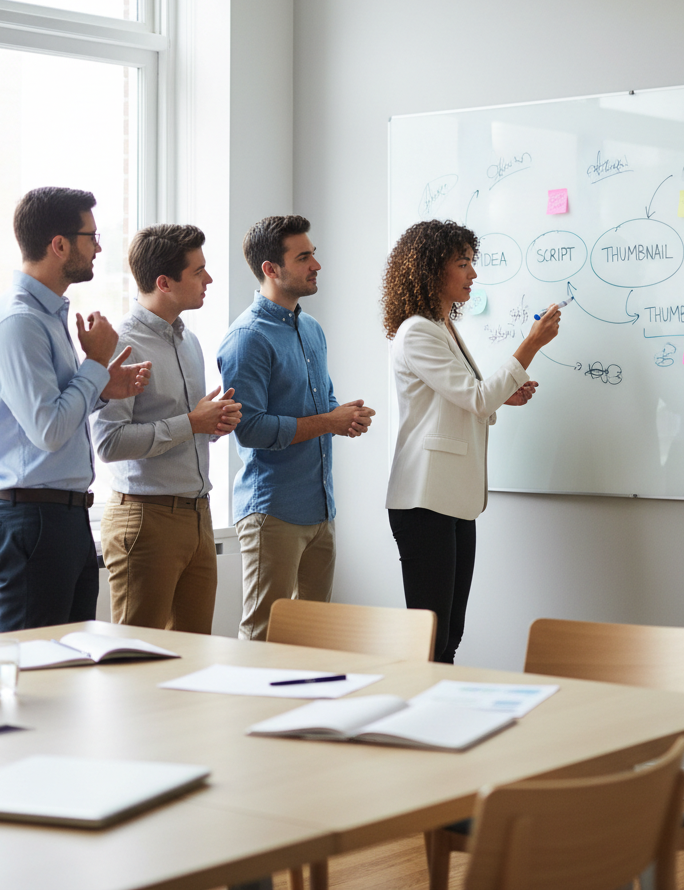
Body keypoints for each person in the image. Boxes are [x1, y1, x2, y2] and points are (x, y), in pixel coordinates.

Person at [0, 186, 151, 632]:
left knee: (69, 674)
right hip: (32, 519)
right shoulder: (19, 323)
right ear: (59, 245)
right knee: (36, 674)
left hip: (63, 518)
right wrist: (93, 367)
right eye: (91, 236)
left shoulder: (47, 318)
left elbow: (53, 413)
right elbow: (48, 430)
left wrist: (101, 389)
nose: (99, 247)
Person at [382, 220, 560, 663]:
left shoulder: (442, 327)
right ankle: (422, 721)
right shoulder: (418, 331)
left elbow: (466, 399)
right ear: (431, 270)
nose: (473, 274)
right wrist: (531, 344)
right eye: (463, 264)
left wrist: (506, 394)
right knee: (432, 639)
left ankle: (442, 719)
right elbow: (477, 398)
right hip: (425, 502)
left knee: (450, 633)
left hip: (454, 501)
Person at [218, 215, 375, 641]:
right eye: (303, 256)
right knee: (264, 635)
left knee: (313, 638)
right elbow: (249, 428)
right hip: (272, 512)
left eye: (314, 254)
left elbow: (322, 402)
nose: (316, 265)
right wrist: (329, 421)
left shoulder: (311, 329)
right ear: (271, 269)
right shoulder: (247, 338)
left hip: (321, 509)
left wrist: (345, 417)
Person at [93, 224, 241, 633]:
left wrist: (211, 423)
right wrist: (191, 422)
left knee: (193, 658)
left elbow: (185, 426)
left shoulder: (189, 342)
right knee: (136, 665)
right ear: (164, 282)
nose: (209, 279)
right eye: (198, 271)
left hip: (198, 517)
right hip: (145, 522)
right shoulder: (123, 346)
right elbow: (109, 442)